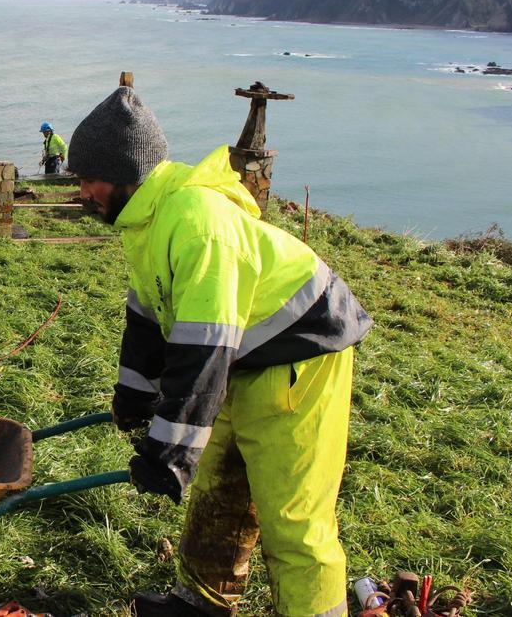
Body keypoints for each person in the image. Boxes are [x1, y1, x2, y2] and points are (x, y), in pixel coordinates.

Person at [69, 86, 373, 617]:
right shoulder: (147, 220)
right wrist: (135, 398)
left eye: (87, 179)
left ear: (124, 173)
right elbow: (149, 315)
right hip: (245, 353)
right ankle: (202, 604)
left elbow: (203, 348)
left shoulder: (196, 223)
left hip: (300, 356)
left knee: (293, 519)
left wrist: (169, 452)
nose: (81, 192)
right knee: (221, 486)